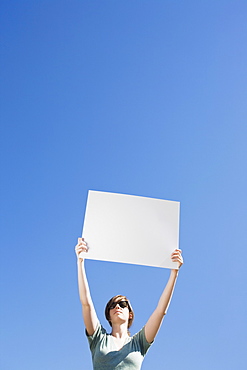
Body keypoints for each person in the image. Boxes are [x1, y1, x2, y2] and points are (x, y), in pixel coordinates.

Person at [75, 237, 183, 369]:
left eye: (123, 304)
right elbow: (86, 303)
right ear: (108, 315)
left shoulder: (139, 342)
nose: (117, 307)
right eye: (112, 305)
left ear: (130, 314)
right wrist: (80, 262)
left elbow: (161, 311)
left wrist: (174, 273)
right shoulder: (99, 338)